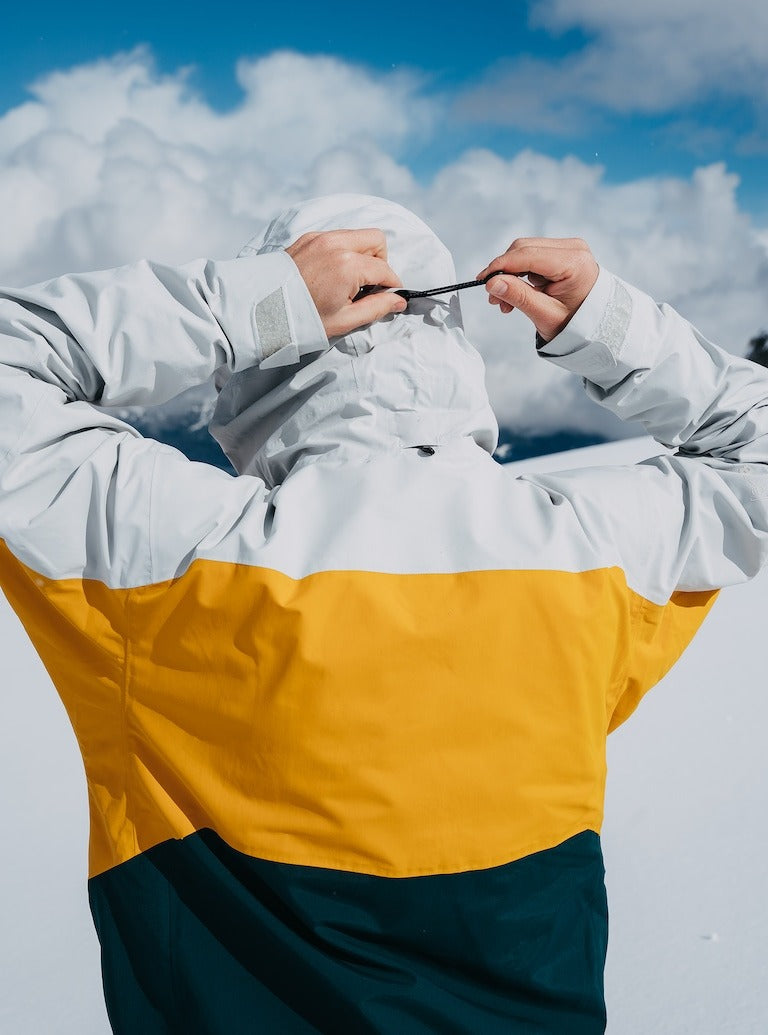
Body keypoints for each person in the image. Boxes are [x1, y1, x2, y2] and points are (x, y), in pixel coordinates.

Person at [1, 194, 766, 1034]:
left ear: (261, 373)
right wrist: (608, 321)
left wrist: (255, 304)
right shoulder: (584, 553)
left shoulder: (171, 558)